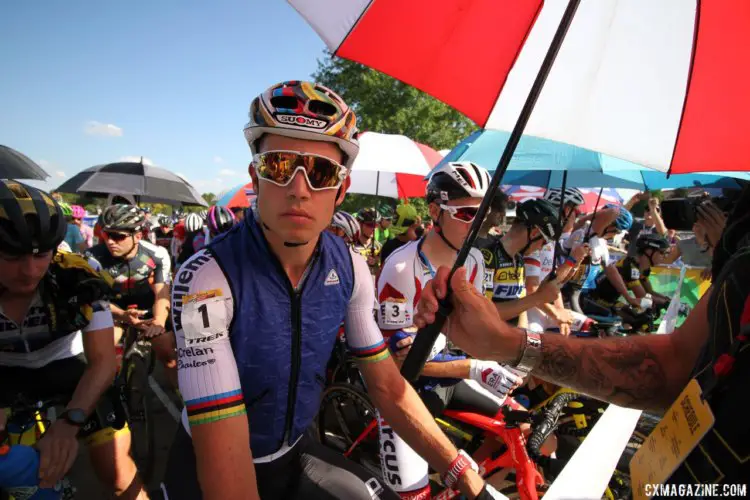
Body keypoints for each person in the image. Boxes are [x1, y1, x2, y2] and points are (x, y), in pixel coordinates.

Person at [162, 81, 498, 500]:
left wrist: (465, 475)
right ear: (256, 178)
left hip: (293, 453)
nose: (300, 189)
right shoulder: (206, 279)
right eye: (280, 166)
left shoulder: (351, 266)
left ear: (340, 190)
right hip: (209, 470)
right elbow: (223, 449)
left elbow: (390, 388)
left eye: (321, 173)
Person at [415, 185, 750, 495]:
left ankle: (483, 471)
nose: (546, 246)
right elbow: (520, 303)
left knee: (518, 416)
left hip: (487, 346)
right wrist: (505, 345)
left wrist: (517, 338)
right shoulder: (474, 257)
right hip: (446, 361)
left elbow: (528, 301)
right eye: (466, 213)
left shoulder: (515, 258)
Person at [376, 161, 524, 498]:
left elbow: (479, 331)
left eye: (484, 214)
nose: (480, 224)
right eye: (468, 213)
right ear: (435, 211)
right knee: (413, 494)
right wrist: (472, 367)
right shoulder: (401, 267)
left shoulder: (475, 260)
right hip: (403, 389)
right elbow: (394, 366)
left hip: (446, 373)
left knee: (523, 423)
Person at [0, 181, 146, 499]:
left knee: (118, 473)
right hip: (7, 375)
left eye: (41, 255)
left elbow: (104, 361)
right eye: (12, 256)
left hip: (72, 368)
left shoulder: (79, 276)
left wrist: (69, 423)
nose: (30, 270)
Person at [85, 205, 178, 389]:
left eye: (118, 236)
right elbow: (95, 299)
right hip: (112, 308)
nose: (110, 241)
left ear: (138, 236)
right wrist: (122, 315)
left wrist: (159, 322)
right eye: (106, 235)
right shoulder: (92, 258)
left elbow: (162, 294)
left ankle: (185, 402)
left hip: (147, 307)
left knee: (168, 355)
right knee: (99, 358)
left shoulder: (157, 255)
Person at [478, 199, 562, 328]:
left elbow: (520, 309)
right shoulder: (488, 256)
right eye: (544, 242)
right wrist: (538, 297)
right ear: (534, 233)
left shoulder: (519, 259)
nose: (540, 248)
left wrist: (525, 338)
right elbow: (484, 312)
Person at [525, 188, 591, 335]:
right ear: (567, 210)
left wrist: (576, 260)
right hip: (530, 309)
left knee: (593, 329)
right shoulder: (537, 238)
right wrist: (557, 314)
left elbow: (555, 283)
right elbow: (531, 289)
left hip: (546, 307)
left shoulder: (551, 240)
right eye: (577, 213)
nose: (576, 218)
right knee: (535, 347)